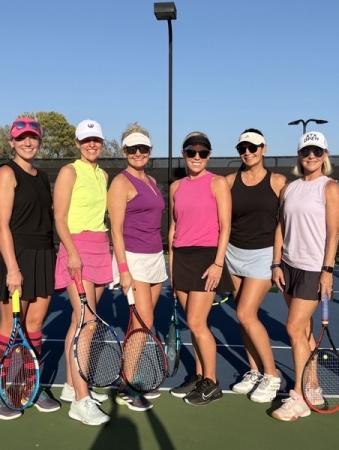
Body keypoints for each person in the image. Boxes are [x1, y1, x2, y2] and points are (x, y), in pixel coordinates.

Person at [0, 118, 61, 420]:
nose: (28, 143)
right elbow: (1, 223)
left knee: (35, 326)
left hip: (44, 254)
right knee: (9, 328)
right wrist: (13, 268)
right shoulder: (6, 172)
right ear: (11, 141)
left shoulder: (41, 176)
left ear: (40, 140)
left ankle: (30, 384)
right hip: (16, 255)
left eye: (33, 138)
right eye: (22, 138)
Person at [270, 131, 339, 421]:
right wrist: (276, 263)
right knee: (304, 331)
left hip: (314, 269)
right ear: (298, 156)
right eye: (305, 151)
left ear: (325, 155)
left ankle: (299, 398)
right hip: (288, 267)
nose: (310, 156)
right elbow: (280, 227)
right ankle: (312, 385)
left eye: (316, 151)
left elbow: (334, 233)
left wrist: (328, 270)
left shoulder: (330, 188)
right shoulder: (289, 189)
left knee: (292, 328)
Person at [168, 132, 233, 406]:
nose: (196, 157)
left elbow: (225, 226)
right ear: (184, 154)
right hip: (181, 258)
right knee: (193, 325)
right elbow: (173, 228)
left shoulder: (218, 183)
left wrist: (218, 263)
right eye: (191, 152)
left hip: (207, 259)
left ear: (208, 155)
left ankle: (212, 383)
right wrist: (171, 269)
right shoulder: (176, 187)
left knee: (197, 323)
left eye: (202, 153)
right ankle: (197, 376)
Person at [53, 119, 112, 426]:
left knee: (80, 321)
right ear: (77, 143)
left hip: (101, 248)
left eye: (96, 140)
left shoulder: (102, 174)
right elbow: (60, 218)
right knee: (88, 324)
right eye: (86, 140)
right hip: (77, 249)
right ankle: (81, 399)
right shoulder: (69, 171)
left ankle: (69, 384)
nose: (92, 144)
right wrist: (73, 254)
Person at [107, 124, 167, 412]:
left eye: (143, 148)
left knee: (144, 323)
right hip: (134, 259)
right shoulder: (121, 182)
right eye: (133, 149)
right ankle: (126, 384)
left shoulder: (153, 182)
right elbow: (115, 230)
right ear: (124, 152)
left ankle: (129, 375)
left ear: (150, 150)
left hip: (156, 257)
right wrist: (124, 269)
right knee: (142, 323)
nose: (139, 153)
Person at [225, 129, 287, 403]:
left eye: (253, 147)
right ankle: (254, 370)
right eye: (243, 148)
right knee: (243, 319)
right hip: (232, 253)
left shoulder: (277, 182)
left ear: (263, 148)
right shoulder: (228, 181)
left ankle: (272, 374)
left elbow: (286, 222)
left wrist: (278, 260)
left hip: (263, 255)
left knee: (245, 313)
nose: (247, 152)